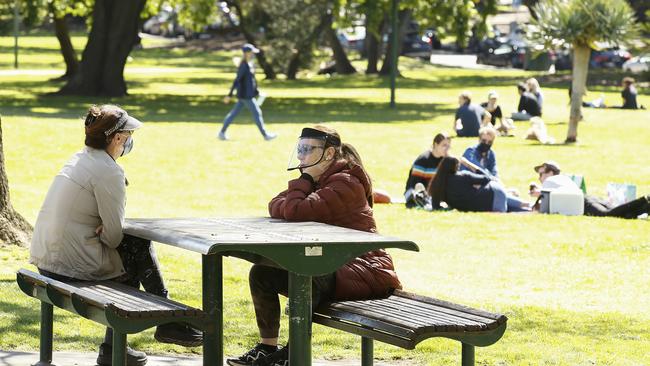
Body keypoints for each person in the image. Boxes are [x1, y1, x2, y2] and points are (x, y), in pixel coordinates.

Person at [29, 105, 202, 366]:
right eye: (129, 135)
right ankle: (165, 323)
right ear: (118, 138)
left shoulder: (80, 158)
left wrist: (105, 228)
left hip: (47, 263)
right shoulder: (109, 171)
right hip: (69, 268)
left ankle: (138, 336)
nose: (130, 141)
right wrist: (111, 230)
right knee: (135, 246)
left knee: (131, 252)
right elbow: (113, 238)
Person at [227, 126, 402, 366]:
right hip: (339, 267)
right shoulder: (320, 181)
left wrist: (304, 181)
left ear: (329, 154)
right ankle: (268, 348)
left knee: (308, 276)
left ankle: (293, 353)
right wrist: (304, 185)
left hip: (366, 269)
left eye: (307, 150)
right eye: (300, 149)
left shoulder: (345, 183)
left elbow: (295, 210)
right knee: (262, 273)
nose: (300, 156)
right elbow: (277, 204)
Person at [530, 161, 649, 219]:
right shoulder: (562, 179)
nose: (539, 178)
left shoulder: (550, 182)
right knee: (621, 214)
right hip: (586, 198)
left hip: (582, 202)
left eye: (541, 174)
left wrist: (538, 193)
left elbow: (549, 197)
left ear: (550, 172)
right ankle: (645, 207)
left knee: (607, 215)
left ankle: (645, 199)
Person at [427, 157, 529, 213]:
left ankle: (535, 209)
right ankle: (537, 206)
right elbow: (487, 177)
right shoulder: (463, 176)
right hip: (493, 191)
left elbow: (435, 207)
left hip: (488, 199)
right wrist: (469, 165)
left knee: (512, 210)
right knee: (520, 206)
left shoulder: (437, 185)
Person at [219, 43, 277, 141]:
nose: (253, 54)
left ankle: (221, 133)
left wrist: (257, 92)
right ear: (247, 53)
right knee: (257, 113)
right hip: (246, 96)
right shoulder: (244, 66)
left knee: (233, 114)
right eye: (252, 52)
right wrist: (229, 94)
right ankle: (266, 135)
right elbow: (237, 80)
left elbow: (251, 81)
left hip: (246, 95)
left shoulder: (249, 65)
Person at [403, 132, 451, 208]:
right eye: (444, 145)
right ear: (435, 145)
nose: (447, 149)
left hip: (433, 194)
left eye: (449, 146)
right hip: (416, 192)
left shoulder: (446, 161)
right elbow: (415, 184)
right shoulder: (423, 160)